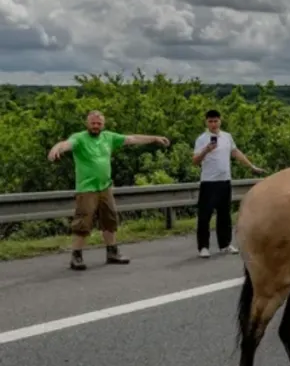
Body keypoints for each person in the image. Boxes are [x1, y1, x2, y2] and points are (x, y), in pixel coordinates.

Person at [46, 110, 170, 271]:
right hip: (87, 189)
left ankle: (112, 252)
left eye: (99, 123)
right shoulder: (80, 138)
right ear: (87, 123)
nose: (96, 126)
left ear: (103, 124)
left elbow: (131, 138)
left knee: (110, 220)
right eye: (93, 123)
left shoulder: (108, 137)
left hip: (105, 187)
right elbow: (66, 144)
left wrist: (154, 138)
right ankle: (76, 256)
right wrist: (56, 149)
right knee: (83, 223)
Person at [192, 109, 264, 258]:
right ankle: (203, 247)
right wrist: (206, 150)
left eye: (215, 121)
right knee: (205, 216)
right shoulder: (202, 139)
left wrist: (251, 166)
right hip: (208, 182)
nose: (213, 124)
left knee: (224, 215)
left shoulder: (227, 137)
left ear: (220, 121)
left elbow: (236, 153)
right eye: (210, 121)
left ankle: (225, 244)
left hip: (225, 181)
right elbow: (195, 161)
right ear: (206, 122)